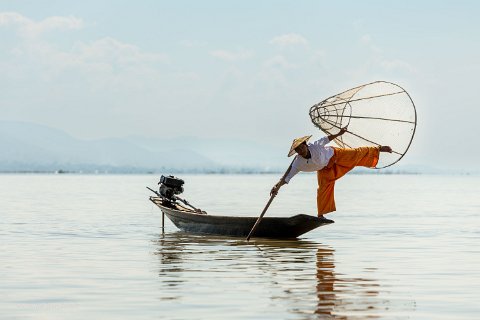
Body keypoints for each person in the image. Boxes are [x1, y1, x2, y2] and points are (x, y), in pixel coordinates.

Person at [270, 127, 392, 218]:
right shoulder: (298, 162)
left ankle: (379, 149)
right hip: (325, 169)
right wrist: (277, 187)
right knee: (323, 188)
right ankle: (321, 215)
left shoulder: (315, 146)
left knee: (357, 153)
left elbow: (327, 139)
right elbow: (286, 178)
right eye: (298, 150)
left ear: (306, 145)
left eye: (302, 147)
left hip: (336, 155)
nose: (301, 151)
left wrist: (339, 133)